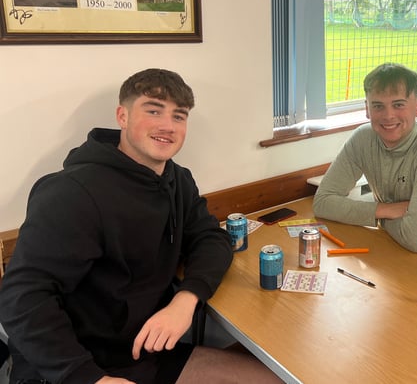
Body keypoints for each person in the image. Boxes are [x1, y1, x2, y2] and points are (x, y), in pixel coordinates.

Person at [0, 69, 281, 384]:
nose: (167, 126)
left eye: (179, 116)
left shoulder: (177, 179)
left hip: (142, 355)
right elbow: (20, 298)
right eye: (153, 111)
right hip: (70, 369)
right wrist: (89, 378)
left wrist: (186, 299)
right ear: (122, 116)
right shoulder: (71, 193)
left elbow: (210, 238)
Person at [312, 63, 417, 253]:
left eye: (398, 105)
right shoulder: (363, 138)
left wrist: (373, 215)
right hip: (395, 246)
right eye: (378, 106)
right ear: (367, 109)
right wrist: (385, 210)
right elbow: (322, 203)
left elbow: (414, 238)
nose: (388, 115)